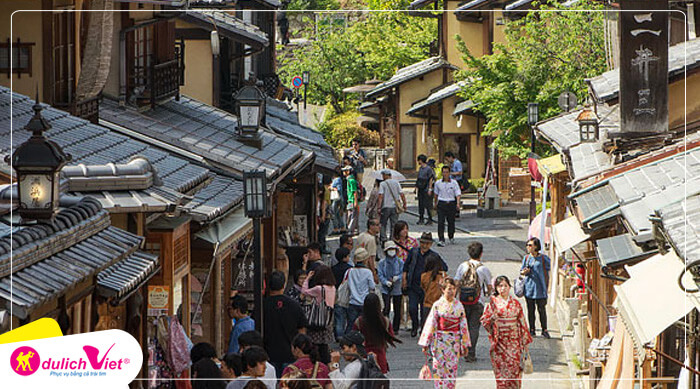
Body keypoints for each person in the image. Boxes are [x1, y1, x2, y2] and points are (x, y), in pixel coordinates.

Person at [481, 276, 533, 389]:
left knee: (514, 371)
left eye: (505, 286)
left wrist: (525, 344)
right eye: (500, 286)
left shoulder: (516, 304)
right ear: (496, 288)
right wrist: (492, 319)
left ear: (509, 287)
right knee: (501, 376)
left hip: (514, 343)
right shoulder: (493, 303)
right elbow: (484, 320)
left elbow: (522, 323)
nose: (503, 288)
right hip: (499, 344)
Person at [418, 277, 470, 389]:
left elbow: (463, 325)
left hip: (454, 341)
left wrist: (464, 344)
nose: (451, 291)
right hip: (439, 341)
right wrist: (426, 342)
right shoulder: (437, 305)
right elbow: (431, 323)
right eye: (449, 289)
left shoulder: (459, 306)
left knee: (452, 370)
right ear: (442, 290)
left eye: (453, 289)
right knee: (439, 369)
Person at [402, 232, 448, 337]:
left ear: (430, 244)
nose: (424, 245)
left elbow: (444, 267)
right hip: (413, 285)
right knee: (412, 308)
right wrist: (404, 279)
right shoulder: (413, 252)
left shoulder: (434, 256)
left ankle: (423, 328)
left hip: (426, 288)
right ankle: (415, 325)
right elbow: (406, 266)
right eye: (423, 243)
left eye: (427, 243)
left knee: (424, 310)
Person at [263, 271, 308, 377]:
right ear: (284, 285)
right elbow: (302, 330)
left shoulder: (262, 305)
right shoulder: (294, 305)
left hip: (268, 354)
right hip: (290, 354)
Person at [455, 241, 493, 362]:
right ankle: (471, 354)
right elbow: (489, 286)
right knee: (474, 327)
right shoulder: (483, 269)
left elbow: (456, 282)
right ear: (481, 254)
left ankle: (463, 349)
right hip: (478, 301)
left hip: (463, 301)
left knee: (463, 326)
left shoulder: (462, 266)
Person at [352, 293, 401, 374]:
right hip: (380, 357)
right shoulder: (385, 321)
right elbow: (391, 336)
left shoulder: (359, 322)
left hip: (364, 358)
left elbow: (353, 337)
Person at [302, 265, 337, 364]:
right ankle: (326, 365)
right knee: (324, 346)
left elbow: (304, 291)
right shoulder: (333, 288)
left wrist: (307, 278)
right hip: (328, 320)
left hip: (317, 319)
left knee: (315, 346)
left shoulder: (319, 289)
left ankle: (316, 365)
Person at [520, 237, 551, 338]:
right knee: (530, 310)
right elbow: (521, 271)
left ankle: (544, 329)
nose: (528, 247)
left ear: (536, 247)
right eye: (527, 245)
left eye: (530, 245)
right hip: (529, 288)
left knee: (542, 309)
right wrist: (524, 272)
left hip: (540, 288)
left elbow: (550, 268)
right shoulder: (526, 258)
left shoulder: (543, 258)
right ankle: (532, 329)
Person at [345, 248, 375, 335]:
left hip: (352, 301)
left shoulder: (350, 271)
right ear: (365, 259)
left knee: (351, 324)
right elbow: (372, 286)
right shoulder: (368, 272)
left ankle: (348, 342)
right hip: (364, 302)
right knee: (364, 325)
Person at [377, 241, 403, 333]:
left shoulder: (400, 262)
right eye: (389, 249)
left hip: (397, 288)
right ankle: (385, 326)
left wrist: (397, 277)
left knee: (397, 309)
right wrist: (385, 282)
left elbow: (402, 273)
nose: (391, 251)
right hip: (385, 288)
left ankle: (395, 328)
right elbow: (380, 274)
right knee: (386, 308)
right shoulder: (382, 263)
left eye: (393, 249)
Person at [433, 165, 461, 247]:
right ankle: (441, 239)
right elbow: (436, 194)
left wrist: (458, 203)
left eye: (447, 172)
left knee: (451, 221)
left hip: (451, 203)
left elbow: (458, 193)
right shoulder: (438, 183)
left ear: (449, 173)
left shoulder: (454, 183)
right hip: (441, 203)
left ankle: (451, 236)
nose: (445, 174)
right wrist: (435, 203)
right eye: (444, 172)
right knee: (441, 222)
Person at [377, 169, 406, 243]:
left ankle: (383, 238)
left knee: (383, 223)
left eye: (383, 175)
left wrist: (379, 207)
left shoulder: (382, 184)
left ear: (386, 175)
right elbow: (402, 194)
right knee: (394, 224)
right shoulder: (396, 183)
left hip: (385, 206)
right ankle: (392, 238)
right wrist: (404, 204)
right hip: (394, 207)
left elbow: (380, 196)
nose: (382, 176)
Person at [421, 253, 448, 323]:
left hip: (427, 304)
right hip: (441, 305)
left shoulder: (424, 276)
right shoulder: (443, 276)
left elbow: (423, 287)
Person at [416, 154, 436, 225]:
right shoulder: (420, 169)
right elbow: (418, 179)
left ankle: (430, 219)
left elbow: (431, 179)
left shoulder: (428, 169)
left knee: (428, 205)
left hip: (426, 188)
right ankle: (421, 218)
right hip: (421, 188)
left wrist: (430, 189)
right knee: (420, 204)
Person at [343, 165, 360, 235]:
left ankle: (350, 230)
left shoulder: (351, 180)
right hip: (350, 200)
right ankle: (352, 229)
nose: (344, 172)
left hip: (352, 200)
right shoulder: (349, 180)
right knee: (350, 215)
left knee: (352, 216)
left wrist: (355, 202)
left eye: (345, 171)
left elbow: (354, 192)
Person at [318, 177, 332, 255]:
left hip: (324, 213)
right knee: (323, 232)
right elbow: (324, 203)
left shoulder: (324, 189)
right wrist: (323, 215)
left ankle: (322, 247)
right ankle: (322, 248)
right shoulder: (326, 191)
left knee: (322, 232)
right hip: (326, 214)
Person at [330, 168, 347, 235]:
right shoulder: (338, 179)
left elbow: (338, 189)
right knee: (337, 213)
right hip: (338, 198)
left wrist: (332, 188)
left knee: (334, 213)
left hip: (336, 198)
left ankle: (336, 228)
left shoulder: (337, 180)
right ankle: (341, 227)